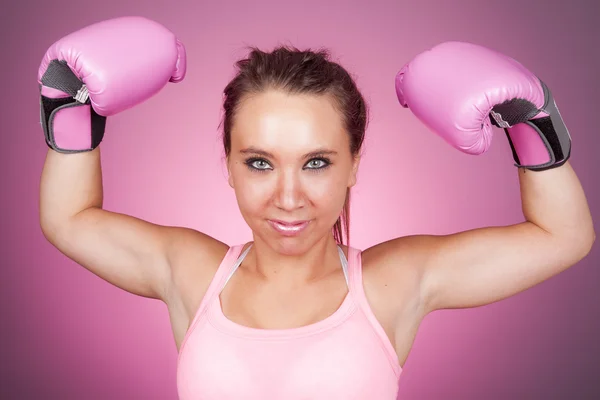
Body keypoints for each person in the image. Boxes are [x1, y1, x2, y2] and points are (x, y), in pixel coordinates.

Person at [38, 16, 595, 400]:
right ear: (227, 165)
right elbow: (70, 219)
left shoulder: (390, 283)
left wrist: (532, 127)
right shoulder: (190, 272)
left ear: (355, 164)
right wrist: (70, 115)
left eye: (317, 163)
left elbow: (561, 236)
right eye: (260, 162)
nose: (288, 196)